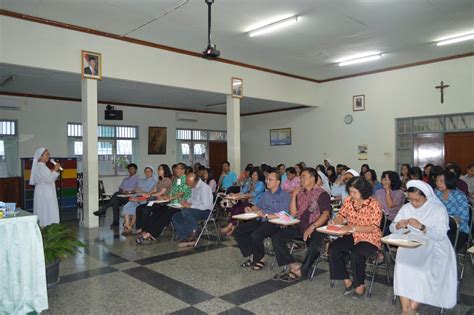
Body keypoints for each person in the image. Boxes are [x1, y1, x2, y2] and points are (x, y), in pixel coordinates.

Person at [390, 180, 457, 312]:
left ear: (426, 196)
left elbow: (440, 235)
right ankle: (408, 310)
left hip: (435, 245)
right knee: (402, 266)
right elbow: (393, 227)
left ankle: (408, 311)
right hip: (410, 244)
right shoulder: (407, 207)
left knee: (422, 269)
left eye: (417, 200)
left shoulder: (438, 209)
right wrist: (398, 225)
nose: (414, 204)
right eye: (411, 200)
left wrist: (422, 227)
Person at [271, 168, 332, 282]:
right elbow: (294, 213)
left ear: (312, 178)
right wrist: (294, 195)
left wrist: (312, 227)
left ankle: (302, 271)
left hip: (316, 228)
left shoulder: (322, 194)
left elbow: (326, 215)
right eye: (300, 177)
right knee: (277, 237)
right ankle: (293, 265)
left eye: (303, 176)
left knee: (314, 247)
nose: (301, 179)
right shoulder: (301, 193)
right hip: (300, 227)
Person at [328, 177, 382, 299]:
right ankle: (347, 281)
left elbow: (373, 228)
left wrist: (352, 228)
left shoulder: (374, 205)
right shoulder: (349, 201)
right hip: (352, 235)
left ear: (363, 192)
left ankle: (360, 286)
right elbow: (341, 215)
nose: (351, 195)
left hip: (369, 238)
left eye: (354, 192)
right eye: (350, 192)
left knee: (356, 254)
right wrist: (335, 221)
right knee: (333, 248)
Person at [234, 171, 291, 270]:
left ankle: (260, 258)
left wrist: (267, 215)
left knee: (255, 235)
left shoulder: (284, 195)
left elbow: (284, 214)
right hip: (261, 219)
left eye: (270, 180)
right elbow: (258, 206)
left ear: (278, 182)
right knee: (238, 231)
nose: (267, 181)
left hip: (274, 222)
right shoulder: (266, 194)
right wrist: (251, 209)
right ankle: (252, 255)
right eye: (267, 179)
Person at [137, 163, 191, 244]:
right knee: (156, 213)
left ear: (183, 170)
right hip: (171, 203)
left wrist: (170, 198)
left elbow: (181, 193)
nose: (176, 170)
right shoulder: (177, 179)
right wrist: (166, 196)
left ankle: (152, 235)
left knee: (164, 216)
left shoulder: (186, 179)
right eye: (176, 168)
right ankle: (146, 231)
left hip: (180, 205)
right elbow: (173, 192)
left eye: (179, 168)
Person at [171, 172, 214, 247]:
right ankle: (184, 237)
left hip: (205, 211)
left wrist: (190, 206)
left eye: (189, 184)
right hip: (194, 209)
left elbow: (205, 205)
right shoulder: (193, 187)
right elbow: (190, 199)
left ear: (195, 182)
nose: (188, 185)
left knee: (186, 212)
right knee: (175, 216)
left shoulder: (205, 188)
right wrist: (185, 202)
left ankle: (193, 234)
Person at [220, 167, 265, 235]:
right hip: (247, 202)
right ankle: (232, 226)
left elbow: (252, 194)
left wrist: (239, 197)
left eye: (255, 175)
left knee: (238, 208)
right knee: (235, 206)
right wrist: (234, 194)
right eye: (252, 175)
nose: (253, 176)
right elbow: (242, 192)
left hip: (255, 204)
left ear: (259, 175)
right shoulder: (249, 182)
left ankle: (230, 226)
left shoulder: (260, 184)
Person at [93, 163, 139, 227]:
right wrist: (122, 191)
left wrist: (129, 192)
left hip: (131, 197)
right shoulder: (125, 179)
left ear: (136, 170)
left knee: (116, 195)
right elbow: (120, 187)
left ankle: (104, 209)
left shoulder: (138, 179)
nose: (130, 170)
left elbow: (137, 190)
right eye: (129, 169)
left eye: (132, 169)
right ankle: (115, 221)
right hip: (123, 196)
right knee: (115, 201)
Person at [435, 171, 470, 250]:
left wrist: (447, 219)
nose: (438, 183)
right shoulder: (436, 194)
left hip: (459, 230)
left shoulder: (460, 195)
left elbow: (463, 218)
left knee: (441, 246)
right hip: (440, 227)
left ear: (449, 181)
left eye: (441, 181)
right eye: (437, 181)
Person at [134, 164, 173, 236]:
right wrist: (143, 193)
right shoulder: (160, 180)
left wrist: (150, 195)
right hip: (155, 201)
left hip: (163, 202)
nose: (158, 170)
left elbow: (161, 192)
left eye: (160, 169)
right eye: (158, 169)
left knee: (146, 210)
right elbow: (152, 190)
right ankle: (139, 227)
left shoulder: (167, 180)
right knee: (139, 208)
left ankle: (144, 229)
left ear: (165, 170)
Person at [29, 148, 62, 226]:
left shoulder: (44, 167)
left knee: (48, 210)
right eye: (46, 154)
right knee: (44, 211)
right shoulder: (40, 167)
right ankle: (45, 227)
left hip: (47, 192)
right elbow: (49, 179)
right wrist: (55, 169)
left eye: (48, 154)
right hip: (44, 193)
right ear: (40, 157)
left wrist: (54, 171)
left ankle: (49, 226)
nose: (48, 156)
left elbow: (50, 177)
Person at [121, 166, 157, 235]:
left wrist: (141, 192)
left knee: (136, 209)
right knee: (126, 207)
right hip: (136, 196)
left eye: (149, 171)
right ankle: (128, 226)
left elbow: (149, 193)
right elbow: (136, 189)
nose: (147, 173)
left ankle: (130, 226)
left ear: (152, 172)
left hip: (144, 199)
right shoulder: (142, 180)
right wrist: (141, 192)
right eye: (146, 171)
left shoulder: (154, 182)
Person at [374, 171, 405, 235]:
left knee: (384, 231)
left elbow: (390, 205)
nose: (383, 181)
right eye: (382, 179)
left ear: (392, 180)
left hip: (392, 221)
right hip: (378, 219)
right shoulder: (378, 192)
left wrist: (387, 191)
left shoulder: (400, 193)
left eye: (385, 179)